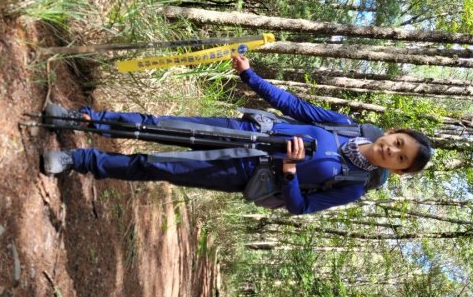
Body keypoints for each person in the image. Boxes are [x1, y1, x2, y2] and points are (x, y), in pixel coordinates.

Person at [43, 54, 432, 215]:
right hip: (244, 130)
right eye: (398, 143)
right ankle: (79, 119)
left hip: (242, 172)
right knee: (156, 124)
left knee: (155, 164)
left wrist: (292, 172)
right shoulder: (345, 125)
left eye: (400, 158)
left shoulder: (354, 185)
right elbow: (295, 107)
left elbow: (300, 207)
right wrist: (250, 76)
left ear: (396, 171)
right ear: (394, 132)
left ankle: (77, 160)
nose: (392, 150)